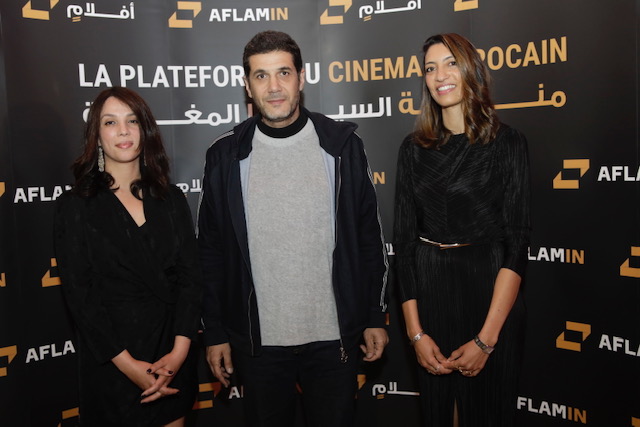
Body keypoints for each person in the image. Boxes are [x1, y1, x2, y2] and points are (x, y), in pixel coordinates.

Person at [197, 30, 389, 427]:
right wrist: (214, 331)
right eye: (261, 75)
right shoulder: (225, 155)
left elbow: (369, 238)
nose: (274, 87)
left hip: (333, 340)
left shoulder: (342, 146)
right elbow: (211, 253)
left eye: (283, 72)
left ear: (301, 77)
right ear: (247, 85)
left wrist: (374, 315)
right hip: (259, 346)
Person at [393, 33, 531, 427]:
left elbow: (517, 243)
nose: (440, 75)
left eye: (450, 63)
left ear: (472, 69)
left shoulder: (507, 143)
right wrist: (416, 335)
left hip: (489, 295)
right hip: (430, 296)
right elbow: (403, 246)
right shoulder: (412, 149)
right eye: (430, 68)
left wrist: (487, 340)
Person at [54, 87, 202, 427]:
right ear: (96, 135)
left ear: (145, 129)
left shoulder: (171, 198)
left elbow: (191, 280)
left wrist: (178, 354)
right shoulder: (75, 206)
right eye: (110, 122)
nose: (123, 131)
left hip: (170, 356)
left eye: (132, 121)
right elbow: (81, 298)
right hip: (112, 363)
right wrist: (128, 366)